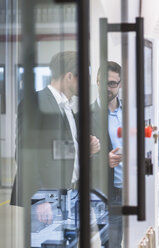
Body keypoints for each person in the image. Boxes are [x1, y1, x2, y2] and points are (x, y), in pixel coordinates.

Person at [10, 51, 100, 224]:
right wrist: (41, 198)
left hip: (66, 195)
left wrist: (85, 149)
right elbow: (24, 154)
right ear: (69, 76)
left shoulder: (66, 107)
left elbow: (53, 150)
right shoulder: (36, 102)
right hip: (45, 201)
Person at [91, 61, 123, 248]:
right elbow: (77, 159)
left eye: (112, 83)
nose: (107, 87)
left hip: (136, 191)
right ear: (97, 81)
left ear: (120, 84)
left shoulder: (131, 113)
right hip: (108, 194)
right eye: (104, 82)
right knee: (112, 244)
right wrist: (104, 161)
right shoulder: (85, 116)